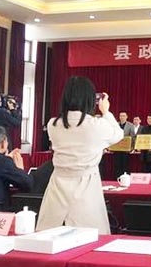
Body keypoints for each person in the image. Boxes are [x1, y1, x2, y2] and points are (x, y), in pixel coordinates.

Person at [36, 77, 123, 234]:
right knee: (88, 237)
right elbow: (118, 134)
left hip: (58, 185)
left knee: (50, 234)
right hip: (86, 186)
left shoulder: (53, 124)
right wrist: (106, 112)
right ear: (90, 100)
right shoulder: (96, 125)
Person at [113, 112, 134, 178]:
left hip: (126, 149)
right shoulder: (115, 124)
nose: (122, 117)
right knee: (117, 164)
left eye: (124, 116)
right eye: (121, 116)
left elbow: (133, 137)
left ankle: (125, 178)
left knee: (125, 165)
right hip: (117, 148)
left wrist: (131, 147)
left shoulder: (131, 125)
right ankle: (117, 178)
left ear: (126, 117)